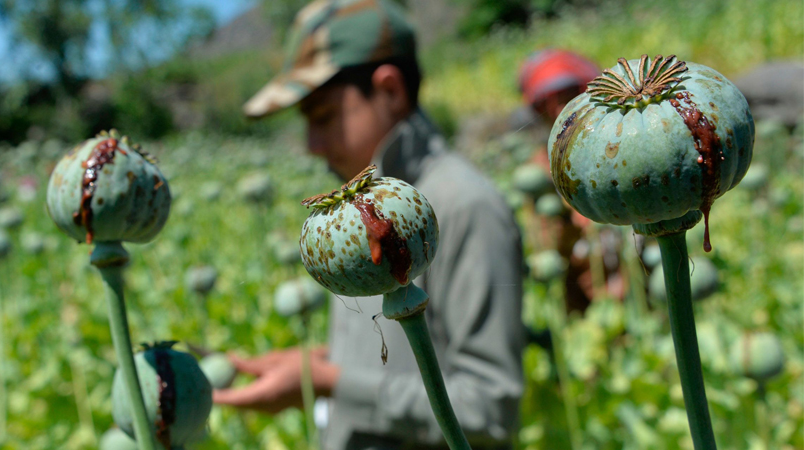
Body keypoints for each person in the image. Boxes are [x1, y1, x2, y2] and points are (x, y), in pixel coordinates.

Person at [213, 1, 525, 449]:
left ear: (390, 90)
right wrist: (312, 363)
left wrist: (331, 382)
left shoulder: (463, 205)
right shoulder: (358, 212)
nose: (311, 146)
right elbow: (396, 357)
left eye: (322, 117)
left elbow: (489, 411)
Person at [516, 49, 625, 312]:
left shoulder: (618, 148)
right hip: (581, 292)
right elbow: (546, 247)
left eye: (566, 98)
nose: (558, 110)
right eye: (547, 104)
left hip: (627, 272)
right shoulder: (539, 169)